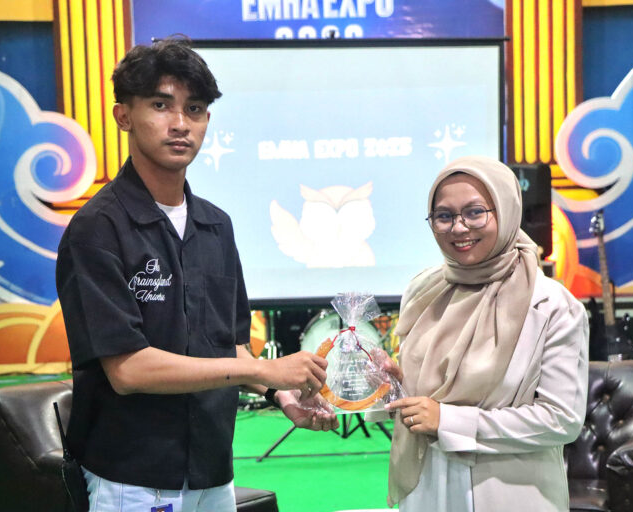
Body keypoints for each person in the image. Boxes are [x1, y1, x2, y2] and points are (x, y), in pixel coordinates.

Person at [55, 37, 337, 512]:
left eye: (196, 109)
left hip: (213, 471)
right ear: (123, 116)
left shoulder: (215, 225)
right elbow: (128, 370)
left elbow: (229, 346)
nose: (181, 123)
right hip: (132, 477)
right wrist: (260, 369)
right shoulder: (97, 229)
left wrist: (281, 393)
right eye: (160, 105)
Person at [383, 156, 589, 511]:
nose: (459, 228)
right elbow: (422, 400)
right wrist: (392, 388)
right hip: (428, 489)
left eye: (475, 212)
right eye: (444, 216)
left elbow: (561, 420)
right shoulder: (422, 292)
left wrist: (449, 420)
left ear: (505, 210)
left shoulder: (551, 304)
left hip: (511, 494)